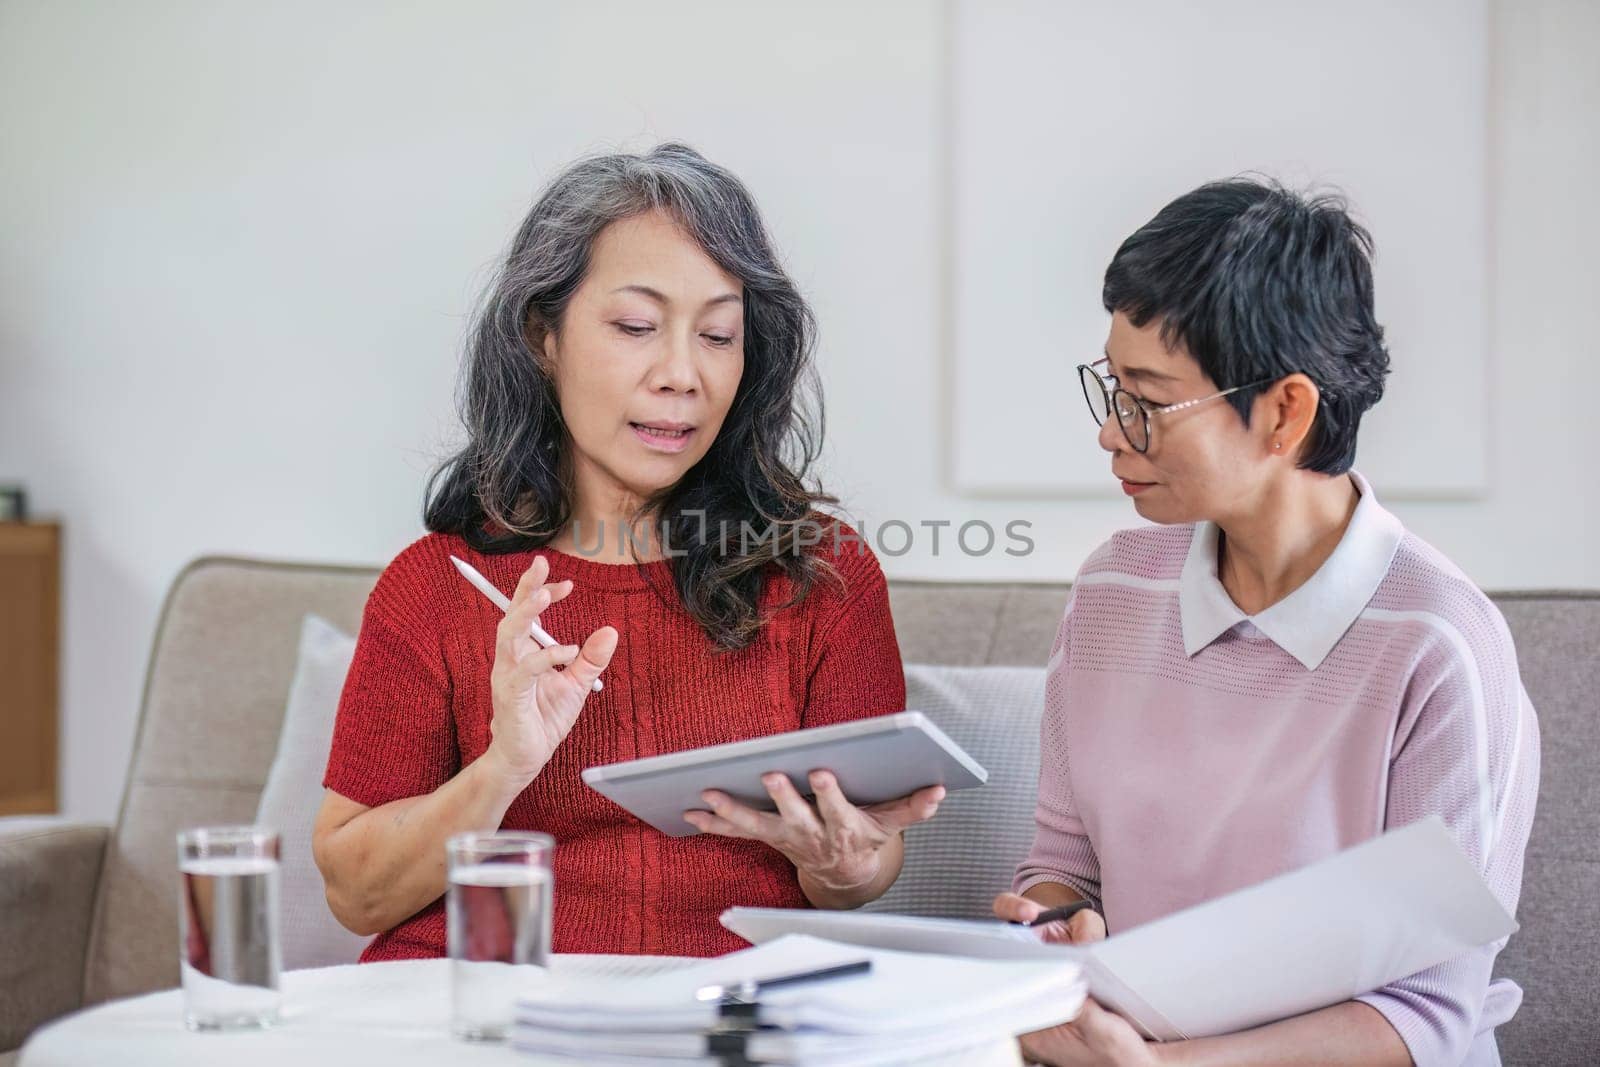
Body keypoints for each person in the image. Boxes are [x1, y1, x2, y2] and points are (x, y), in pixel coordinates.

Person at [312, 143, 943, 961]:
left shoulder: (819, 575)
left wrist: (850, 864)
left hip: (722, 1017)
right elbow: (356, 894)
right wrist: (503, 768)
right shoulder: (435, 586)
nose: (681, 374)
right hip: (477, 1016)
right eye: (637, 326)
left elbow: (859, 866)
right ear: (545, 336)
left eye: (718, 334)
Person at [994, 179, 1538, 1067]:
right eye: (1111, 387)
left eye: (1149, 399)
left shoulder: (1439, 645)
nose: (1111, 433)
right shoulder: (1111, 592)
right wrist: (1050, 928)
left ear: (1285, 411)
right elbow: (1063, 864)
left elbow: (1429, 1014)